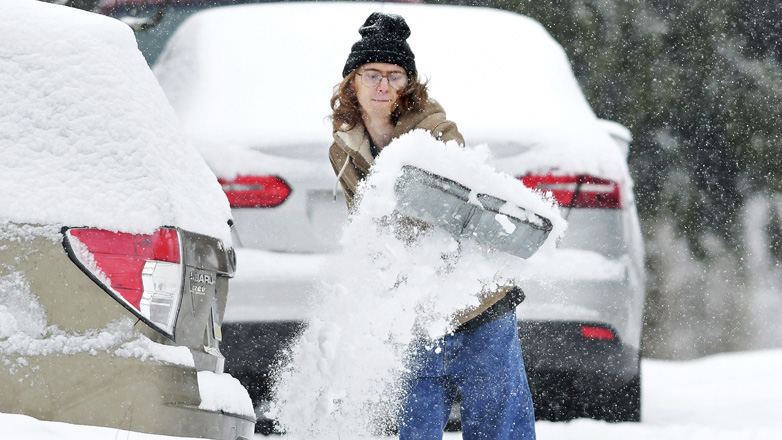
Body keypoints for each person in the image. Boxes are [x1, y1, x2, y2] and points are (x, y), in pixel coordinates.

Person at [328, 12, 536, 440]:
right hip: (416, 318)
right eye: (372, 74)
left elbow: (455, 213)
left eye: (395, 75)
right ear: (353, 81)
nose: (383, 86)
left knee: (500, 429)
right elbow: (366, 229)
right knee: (414, 430)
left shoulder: (435, 132)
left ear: (410, 83)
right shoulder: (343, 148)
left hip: (479, 308)